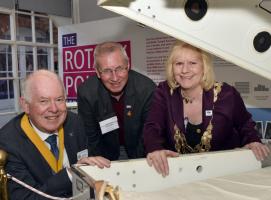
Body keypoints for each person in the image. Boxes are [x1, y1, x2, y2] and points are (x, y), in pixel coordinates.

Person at [143, 40, 270, 177]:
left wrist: (253, 140)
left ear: (204, 66)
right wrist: (155, 148)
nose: (185, 70)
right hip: (179, 175)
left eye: (193, 63)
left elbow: (245, 124)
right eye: (179, 63)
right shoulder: (164, 92)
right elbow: (152, 126)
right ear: (171, 68)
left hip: (223, 173)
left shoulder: (227, 94)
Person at [0, 70, 110, 199]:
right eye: (44, 101)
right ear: (26, 105)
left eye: (59, 99)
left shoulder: (75, 123)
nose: (54, 109)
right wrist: (71, 173)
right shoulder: (8, 143)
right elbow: (26, 197)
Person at [77, 42, 156, 160]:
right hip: (104, 152)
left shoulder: (147, 89)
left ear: (128, 65)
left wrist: (136, 164)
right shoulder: (87, 93)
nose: (115, 78)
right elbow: (91, 138)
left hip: (140, 149)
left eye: (119, 69)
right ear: (98, 72)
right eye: (107, 71)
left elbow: (148, 134)